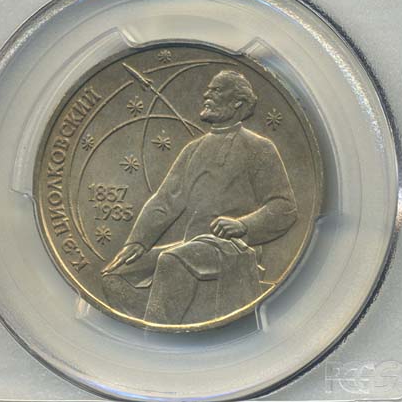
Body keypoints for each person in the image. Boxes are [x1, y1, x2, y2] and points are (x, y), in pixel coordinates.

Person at [102, 70, 297, 325]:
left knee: (171, 260)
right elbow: (165, 201)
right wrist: (137, 242)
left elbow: (284, 207)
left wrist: (242, 225)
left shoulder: (259, 148)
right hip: (191, 245)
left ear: (237, 103)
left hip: (233, 247)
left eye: (216, 90)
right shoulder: (193, 149)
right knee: (115, 273)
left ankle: (156, 335)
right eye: (208, 89)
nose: (206, 94)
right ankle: (161, 323)